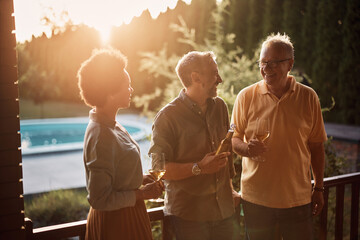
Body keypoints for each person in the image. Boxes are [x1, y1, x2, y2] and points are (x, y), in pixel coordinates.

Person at [231, 33, 327, 240]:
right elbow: (233, 139)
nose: (266, 68)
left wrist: (319, 187)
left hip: (297, 201)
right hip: (255, 201)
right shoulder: (245, 96)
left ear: (290, 64)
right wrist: (246, 148)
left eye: (274, 63)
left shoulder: (308, 97)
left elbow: (317, 147)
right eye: (263, 62)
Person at [149, 51, 241, 240]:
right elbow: (158, 168)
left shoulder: (220, 107)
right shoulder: (167, 117)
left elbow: (227, 151)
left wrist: (231, 190)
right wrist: (198, 168)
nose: (220, 79)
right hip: (189, 217)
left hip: (224, 211)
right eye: (215, 74)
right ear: (196, 77)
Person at [77, 48, 163, 240]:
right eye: (127, 85)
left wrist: (140, 178)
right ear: (111, 91)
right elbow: (99, 199)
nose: (131, 90)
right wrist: (141, 194)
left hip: (129, 215)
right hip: (117, 224)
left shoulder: (112, 125)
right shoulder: (101, 135)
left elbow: (116, 178)